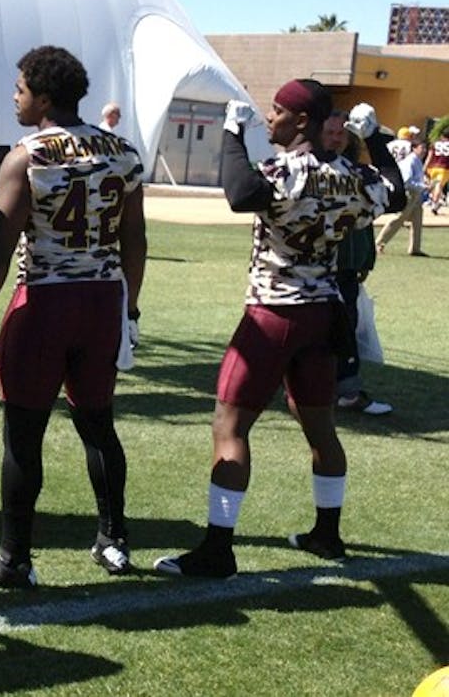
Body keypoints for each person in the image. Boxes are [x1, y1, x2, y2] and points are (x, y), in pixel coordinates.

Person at [154, 80, 404, 579]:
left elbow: (240, 192)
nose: (270, 119)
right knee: (320, 427)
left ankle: (218, 548)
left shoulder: (283, 170)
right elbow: (394, 194)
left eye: (277, 111)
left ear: (301, 121)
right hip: (325, 312)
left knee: (230, 426)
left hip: (274, 312)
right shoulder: (351, 173)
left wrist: (230, 134)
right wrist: (374, 140)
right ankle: (326, 532)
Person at [0, 45, 147, 588]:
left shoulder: (27, 155)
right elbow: (136, 239)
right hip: (102, 300)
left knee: (23, 432)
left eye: (20, 88)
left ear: (43, 96)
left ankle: (14, 558)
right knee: (98, 424)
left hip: (44, 301)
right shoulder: (122, 152)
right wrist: (129, 307)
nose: (14, 96)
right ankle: (114, 539)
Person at [321, 111, 393, 416]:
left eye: (342, 132)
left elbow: (365, 226)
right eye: (331, 131)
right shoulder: (308, 171)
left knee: (345, 330)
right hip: (314, 272)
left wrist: (367, 259)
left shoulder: (358, 173)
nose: (337, 138)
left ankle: (345, 392)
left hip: (347, 269)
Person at [377, 136, 429, 256]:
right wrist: (422, 186)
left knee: (417, 221)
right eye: (422, 147)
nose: (424, 150)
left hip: (416, 194)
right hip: (409, 194)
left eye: (425, 148)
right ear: (414, 148)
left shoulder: (417, 161)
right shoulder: (410, 161)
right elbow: (406, 181)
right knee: (398, 218)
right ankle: (379, 243)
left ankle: (415, 248)